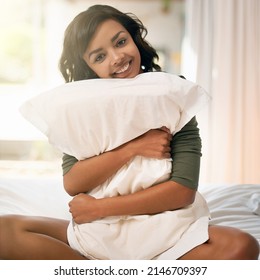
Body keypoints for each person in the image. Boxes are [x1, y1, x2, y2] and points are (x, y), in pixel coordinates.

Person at [0, 4, 259, 260]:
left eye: (120, 42)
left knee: (241, 245)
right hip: (98, 235)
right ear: (89, 67)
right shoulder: (82, 106)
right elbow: (73, 183)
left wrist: (99, 208)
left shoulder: (171, 93)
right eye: (99, 56)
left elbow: (183, 191)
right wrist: (133, 148)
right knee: (4, 231)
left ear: (134, 39)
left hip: (169, 233)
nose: (117, 57)